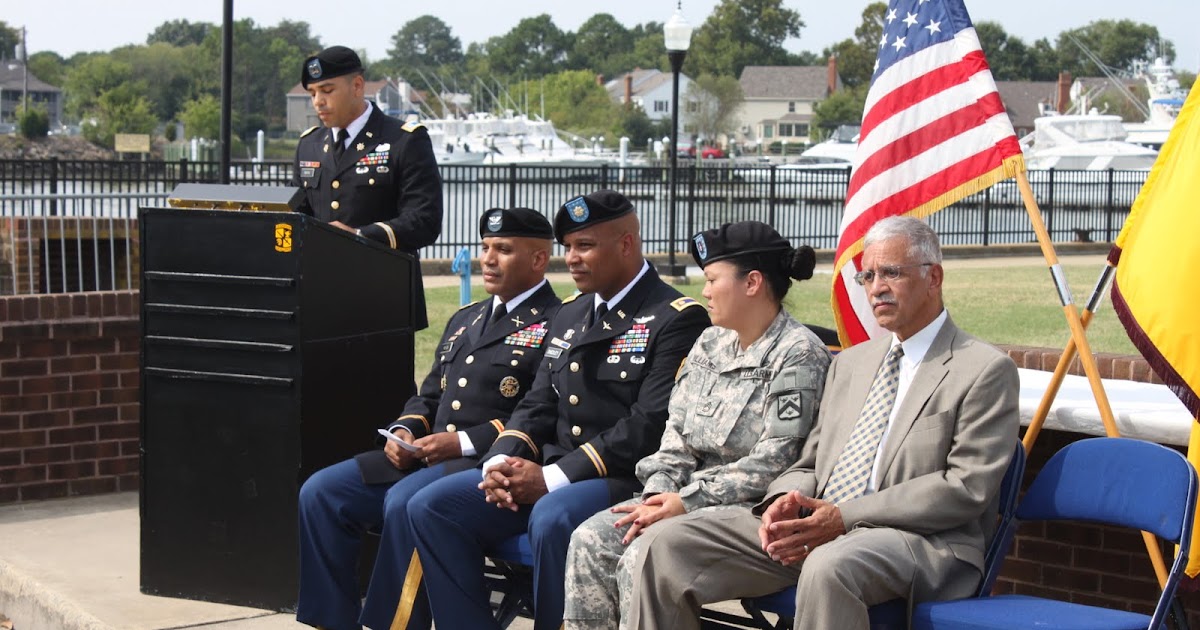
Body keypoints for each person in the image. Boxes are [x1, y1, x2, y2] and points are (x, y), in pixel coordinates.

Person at [627, 216, 1021, 630]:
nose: (876, 288)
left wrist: (843, 517)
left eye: (891, 273)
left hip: (923, 542)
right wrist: (784, 501)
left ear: (933, 277)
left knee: (831, 565)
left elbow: (964, 489)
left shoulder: (983, 370)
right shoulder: (852, 363)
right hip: (819, 528)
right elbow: (809, 463)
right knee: (665, 543)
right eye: (867, 276)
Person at [403, 189, 711, 630]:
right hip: (550, 470)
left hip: (621, 478)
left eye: (585, 246)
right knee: (431, 506)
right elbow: (538, 401)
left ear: (626, 245)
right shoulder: (571, 313)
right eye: (568, 248)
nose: (571, 258)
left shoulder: (675, 316)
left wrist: (550, 479)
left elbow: (649, 425)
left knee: (552, 517)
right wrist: (500, 462)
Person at [295, 207, 561, 630]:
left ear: (538, 259)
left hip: (480, 463)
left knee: (407, 504)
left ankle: (392, 626)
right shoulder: (466, 318)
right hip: (423, 453)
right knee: (321, 492)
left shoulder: (557, 323)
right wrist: (405, 429)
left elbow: (540, 411)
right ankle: (331, 620)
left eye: (504, 250)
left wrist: (462, 443)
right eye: (486, 247)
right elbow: (430, 394)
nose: (488, 259)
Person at [563, 221, 833, 629]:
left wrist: (685, 502)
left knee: (644, 554)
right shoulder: (710, 342)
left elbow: (776, 461)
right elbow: (676, 436)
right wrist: (657, 494)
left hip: (748, 515)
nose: (704, 292)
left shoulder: (797, 354)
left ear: (752, 282)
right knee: (591, 540)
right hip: (681, 502)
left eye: (711, 280)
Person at [291, 45, 443, 330]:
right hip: (320, 298)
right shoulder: (309, 144)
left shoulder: (404, 140)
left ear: (357, 86)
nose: (317, 102)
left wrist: (360, 236)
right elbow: (297, 214)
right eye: (312, 93)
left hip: (384, 296)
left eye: (327, 90)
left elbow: (425, 220)